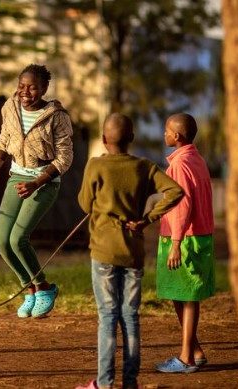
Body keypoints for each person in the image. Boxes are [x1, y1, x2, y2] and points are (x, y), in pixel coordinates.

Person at [75, 114, 184, 389]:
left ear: (103, 139)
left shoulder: (96, 165)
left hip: (103, 252)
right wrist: (148, 219)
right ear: (132, 139)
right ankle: (130, 382)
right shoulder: (144, 166)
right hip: (133, 252)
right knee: (130, 316)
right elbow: (175, 191)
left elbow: (85, 204)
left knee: (108, 316)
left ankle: (104, 383)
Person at [0, 64, 73, 318]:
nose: (25, 91)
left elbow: (65, 158)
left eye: (32, 87)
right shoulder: (9, 108)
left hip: (44, 183)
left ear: (43, 89)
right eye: (22, 86)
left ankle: (44, 287)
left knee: (17, 239)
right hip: (16, 177)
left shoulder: (57, 116)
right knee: (2, 241)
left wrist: (37, 182)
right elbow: (2, 143)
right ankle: (30, 289)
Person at [153, 113, 215, 374]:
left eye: (167, 130)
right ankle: (195, 351)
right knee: (181, 295)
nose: (164, 134)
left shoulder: (179, 165)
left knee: (187, 297)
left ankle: (186, 359)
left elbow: (182, 204)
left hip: (184, 237)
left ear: (176, 136)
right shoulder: (196, 158)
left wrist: (176, 242)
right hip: (199, 236)